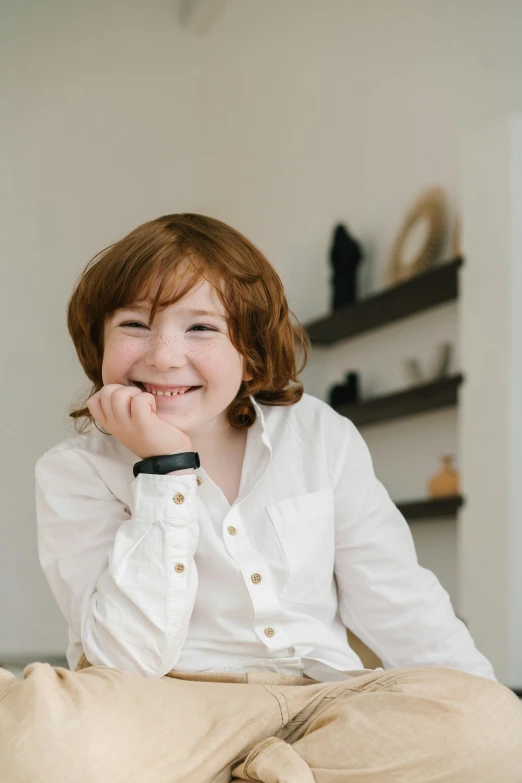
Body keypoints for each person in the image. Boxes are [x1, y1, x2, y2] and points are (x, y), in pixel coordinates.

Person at [0, 213, 521, 782]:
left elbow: (400, 600)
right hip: (167, 710)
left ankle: (260, 771)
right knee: (33, 742)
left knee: (493, 719)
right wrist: (163, 468)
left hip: (325, 705)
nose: (164, 356)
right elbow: (126, 660)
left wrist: (487, 719)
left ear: (247, 352)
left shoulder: (319, 435)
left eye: (200, 328)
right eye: (134, 325)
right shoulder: (72, 470)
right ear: (96, 343)